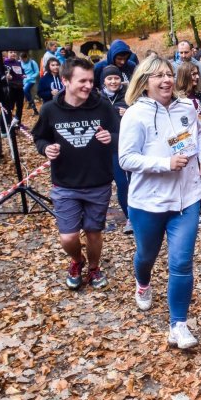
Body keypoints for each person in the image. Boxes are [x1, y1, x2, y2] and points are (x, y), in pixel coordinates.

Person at [119, 54, 201, 349]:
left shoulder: (187, 106)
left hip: (187, 198)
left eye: (169, 74)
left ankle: (178, 325)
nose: (166, 79)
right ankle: (143, 283)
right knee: (146, 255)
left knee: (182, 263)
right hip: (149, 203)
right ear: (145, 82)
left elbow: (199, 135)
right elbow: (126, 158)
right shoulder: (135, 115)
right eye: (158, 75)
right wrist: (164, 162)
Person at [32, 58, 120, 290]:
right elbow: (40, 137)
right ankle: (76, 261)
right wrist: (45, 148)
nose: (88, 85)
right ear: (65, 81)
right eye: (82, 81)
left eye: (91, 80)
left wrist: (111, 138)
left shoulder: (102, 106)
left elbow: (122, 133)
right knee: (68, 237)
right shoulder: (50, 109)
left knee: (93, 234)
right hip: (65, 184)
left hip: (98, 182)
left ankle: (93, 268)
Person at [99, 65, 131, 233]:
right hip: (100, 149)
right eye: (109, 78)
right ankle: (96, 219)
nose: (113, 81)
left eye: (116, 78)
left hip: (120, 146)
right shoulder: (97, 98)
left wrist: (128, 112)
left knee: (123, 183)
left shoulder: (128, 96)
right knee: (100, 185)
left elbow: (137, 114)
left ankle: (129, 218)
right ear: (104, 81)